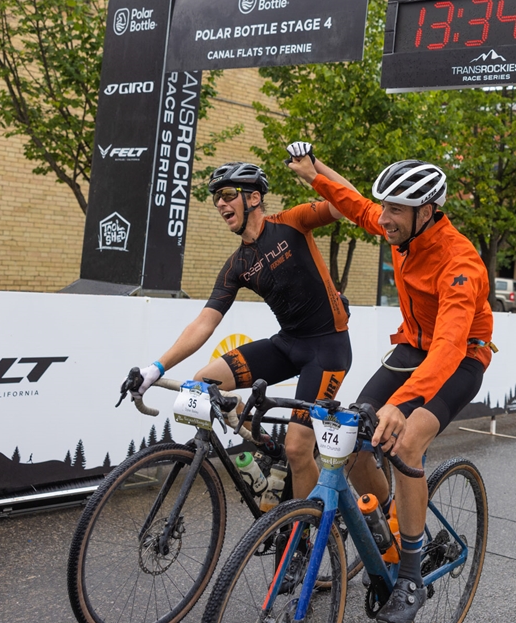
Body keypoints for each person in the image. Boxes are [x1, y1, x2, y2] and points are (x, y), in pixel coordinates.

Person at [287, 143, 492, 623]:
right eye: (386, 206)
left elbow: (447, 346)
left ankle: (412, 577)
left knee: (404, 445)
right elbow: (355, 203)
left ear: (427, 211)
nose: (385, 217)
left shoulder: (461, 263)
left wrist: (402, 404)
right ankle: (386, 533)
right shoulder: (396, 227)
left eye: (396, 208)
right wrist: (312, 172)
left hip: (460, 356)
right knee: (356, 437)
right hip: (412, 346)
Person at [131, 162, 351, 500]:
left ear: (254, 198)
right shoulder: (238, 264)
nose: (220, 203)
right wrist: (156, 367)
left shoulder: (292, 223)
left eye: (227, 194)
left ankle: (302, 538)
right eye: (216, 198)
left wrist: (315, 167)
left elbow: (347, 201)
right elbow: (204, 322)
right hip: (288, 343)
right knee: (205, 382)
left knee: (298, 449)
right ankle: (267, 447)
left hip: (327, 349)